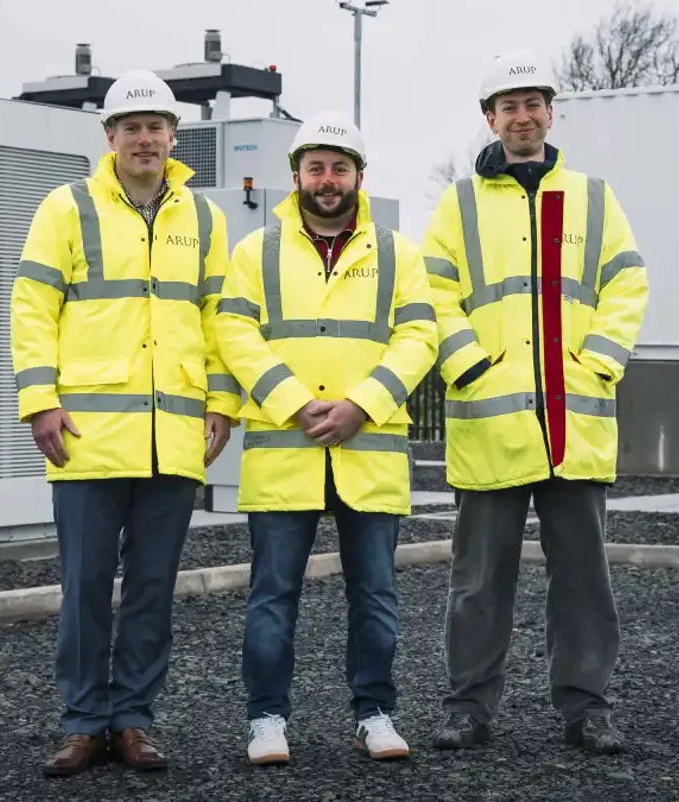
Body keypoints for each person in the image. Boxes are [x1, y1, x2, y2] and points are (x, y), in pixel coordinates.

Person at [9, 68, 239, 777]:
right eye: (132, 127)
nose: (146, 138)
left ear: (175, 136)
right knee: (84, 588)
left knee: (150, 589)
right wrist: (38, 400)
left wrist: (223, 402)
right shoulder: (66, 208)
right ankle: (83, 724)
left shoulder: (203, 218)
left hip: (173, 439)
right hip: (86, 438)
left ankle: (133, 721)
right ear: (108, 136)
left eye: (157, 127)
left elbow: (220, 318)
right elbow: (31, 308)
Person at [423, 50, 650, 755]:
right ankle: (468, 708)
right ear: (489, 119)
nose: (522, 117)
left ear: (551, 112)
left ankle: (587, 709)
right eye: (508, 106)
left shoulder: (592, 197)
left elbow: (625, 284)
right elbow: (433, 291)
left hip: (572, 423)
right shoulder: (459, 203)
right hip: (492, 425)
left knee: (584, 580)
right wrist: (469, 365)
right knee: (478, 582)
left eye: (533, 104)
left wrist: (601, 361)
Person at [215, 111, 439, 765]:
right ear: (296, 176)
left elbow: (419, 335)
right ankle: (266, 720)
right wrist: (293, 403)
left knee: (374, 594)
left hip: (367, 451)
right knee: (272, 594)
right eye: (316, 167)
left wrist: (362, 406)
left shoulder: (399, 254)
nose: (328, 179)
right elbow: (234, 332)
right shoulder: (255, 252)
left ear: (360, 177)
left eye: (340, 167)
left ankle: (375, 713)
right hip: (287, 452)